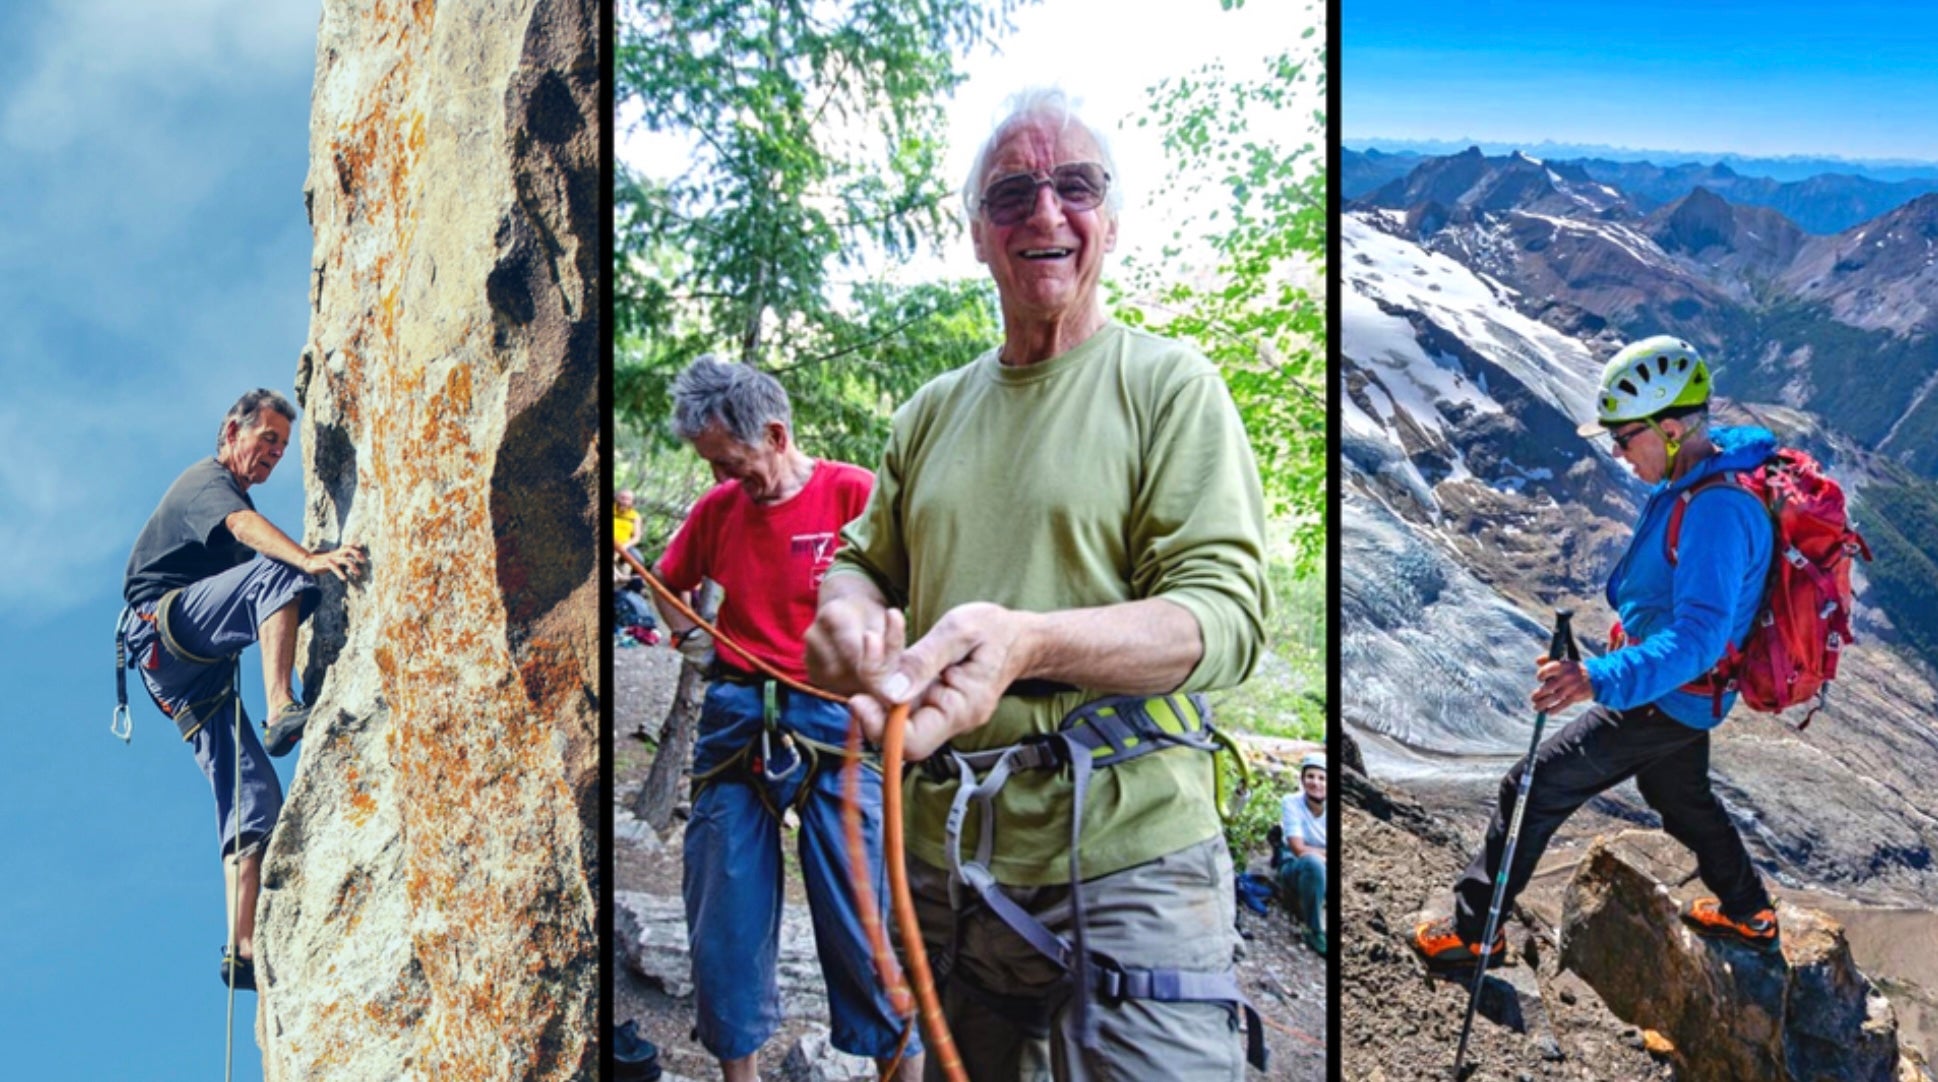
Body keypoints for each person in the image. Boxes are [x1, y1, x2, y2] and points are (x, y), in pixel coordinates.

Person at [805, 88, 1270, 1079]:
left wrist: (1031, 641)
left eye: (1076, 186)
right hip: (942, 860)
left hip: (1131, 851)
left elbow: (1224, 618)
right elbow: (859, 561)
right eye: (1013, 192)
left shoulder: (1169, 386)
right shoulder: (929, 413)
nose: (1047, 213)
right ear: (977, 234)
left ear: (1111, 215)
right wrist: (842, 616)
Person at [1410, 335, 1781, 973]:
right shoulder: (1699, 478)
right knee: (1679, 793)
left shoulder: (1717, 508)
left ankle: (1475, 933)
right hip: (1684, 695)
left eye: (1624, 435)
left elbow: (1696, 639)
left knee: (1532, 785)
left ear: (1669, 428)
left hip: (1667, 696)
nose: (1616, 450)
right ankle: (1752, 913)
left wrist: (1599, 677)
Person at [652, 356, 919, 1082]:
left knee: (870, 927)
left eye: (730, 465)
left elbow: (915, 593)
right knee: (723, 920)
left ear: (775, 434)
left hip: (843, 723)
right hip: (740, 715)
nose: (718, 481)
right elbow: (667, 584)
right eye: (709, 466)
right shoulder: (716, 512)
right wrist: (687, 635)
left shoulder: (854, 495)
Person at [119, 389, 366, 991]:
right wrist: (307, 559)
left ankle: (242, 945)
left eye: (282, 447)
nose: (273, 455)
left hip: (186, 676)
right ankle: (281, 706)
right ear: (232, 431)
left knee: (252, 800)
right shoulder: (206, 482)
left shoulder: (226, 490)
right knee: (281, 569)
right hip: (163, 628)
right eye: (267, 440)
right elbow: (243, 526)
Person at [1274, 752, 1327, 956]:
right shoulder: (1291, 802)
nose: (1316, 783)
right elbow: (1298, 848)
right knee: (1312, 863)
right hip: (1295, 865)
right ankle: (1313, 930)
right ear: (1303, 779)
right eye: (1311, 777)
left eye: (1322, 778)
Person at [615, 488, 645, 566]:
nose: (624, 502)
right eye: (622, 498)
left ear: (632, 502)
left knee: (639, 560)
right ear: (617, 498)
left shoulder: (635, 516)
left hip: (624, 545)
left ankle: (629, 578)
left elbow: (636, 537)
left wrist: (624, 546)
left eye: (628, 499)